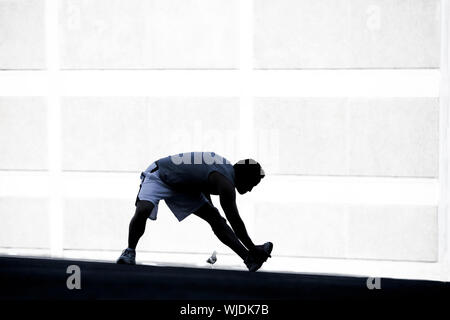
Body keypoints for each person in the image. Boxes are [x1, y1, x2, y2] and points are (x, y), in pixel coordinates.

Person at [117, 151, 273, 272]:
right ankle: (129, 251)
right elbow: (235, 221)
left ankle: (248, 259)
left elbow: (200, 179)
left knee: (216, 220)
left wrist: (212, 211)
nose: (251, 189)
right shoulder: (225, 183)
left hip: (184, 187)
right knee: (144, 209)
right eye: (253, 183)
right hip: (159, 175)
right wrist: (253, 247)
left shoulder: (223, 167)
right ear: (245, 176)